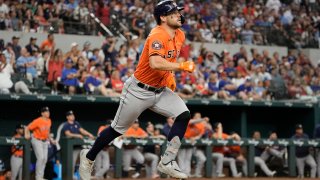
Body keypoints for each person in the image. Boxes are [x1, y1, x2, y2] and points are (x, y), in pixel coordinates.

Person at [79, 1, 195, 179]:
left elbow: (167, 59)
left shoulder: (179, 35)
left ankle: (167, 161)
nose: (179, 15)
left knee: (184, 114)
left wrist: (170, 74)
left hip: (160, 90)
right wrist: (180, 67)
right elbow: (155, 63)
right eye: (174, 12)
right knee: (116, 130)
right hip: (138, 91)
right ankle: (88, 158)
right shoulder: (157, 34)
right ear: (163, 17)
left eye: (179, 12)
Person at [62, 110, 94, 176]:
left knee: (86, 160)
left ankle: (85, 175)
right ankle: (71, 176)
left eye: (73, 115)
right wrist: (77, 135)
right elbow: (67, 134)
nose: (72, 116)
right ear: (67, 117)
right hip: (71, 148)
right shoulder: (66, 125)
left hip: (79, 146)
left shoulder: (76, 123)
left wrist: (89, 134)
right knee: (72, 162)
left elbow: (82, 130)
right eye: (70, 115)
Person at [27, 107, 54, 180]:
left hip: (45, 141)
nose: (48, 113)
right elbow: (28, 127)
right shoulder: (38, 121)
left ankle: (41, 176)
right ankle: (38, 177)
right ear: (42, 113)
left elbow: (47, 131)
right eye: (46, 111)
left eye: (48, 111)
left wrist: (50, 139)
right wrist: (27, 135)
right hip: (37, 140)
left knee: (45, 159)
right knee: (41, 158)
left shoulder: (49, 120)